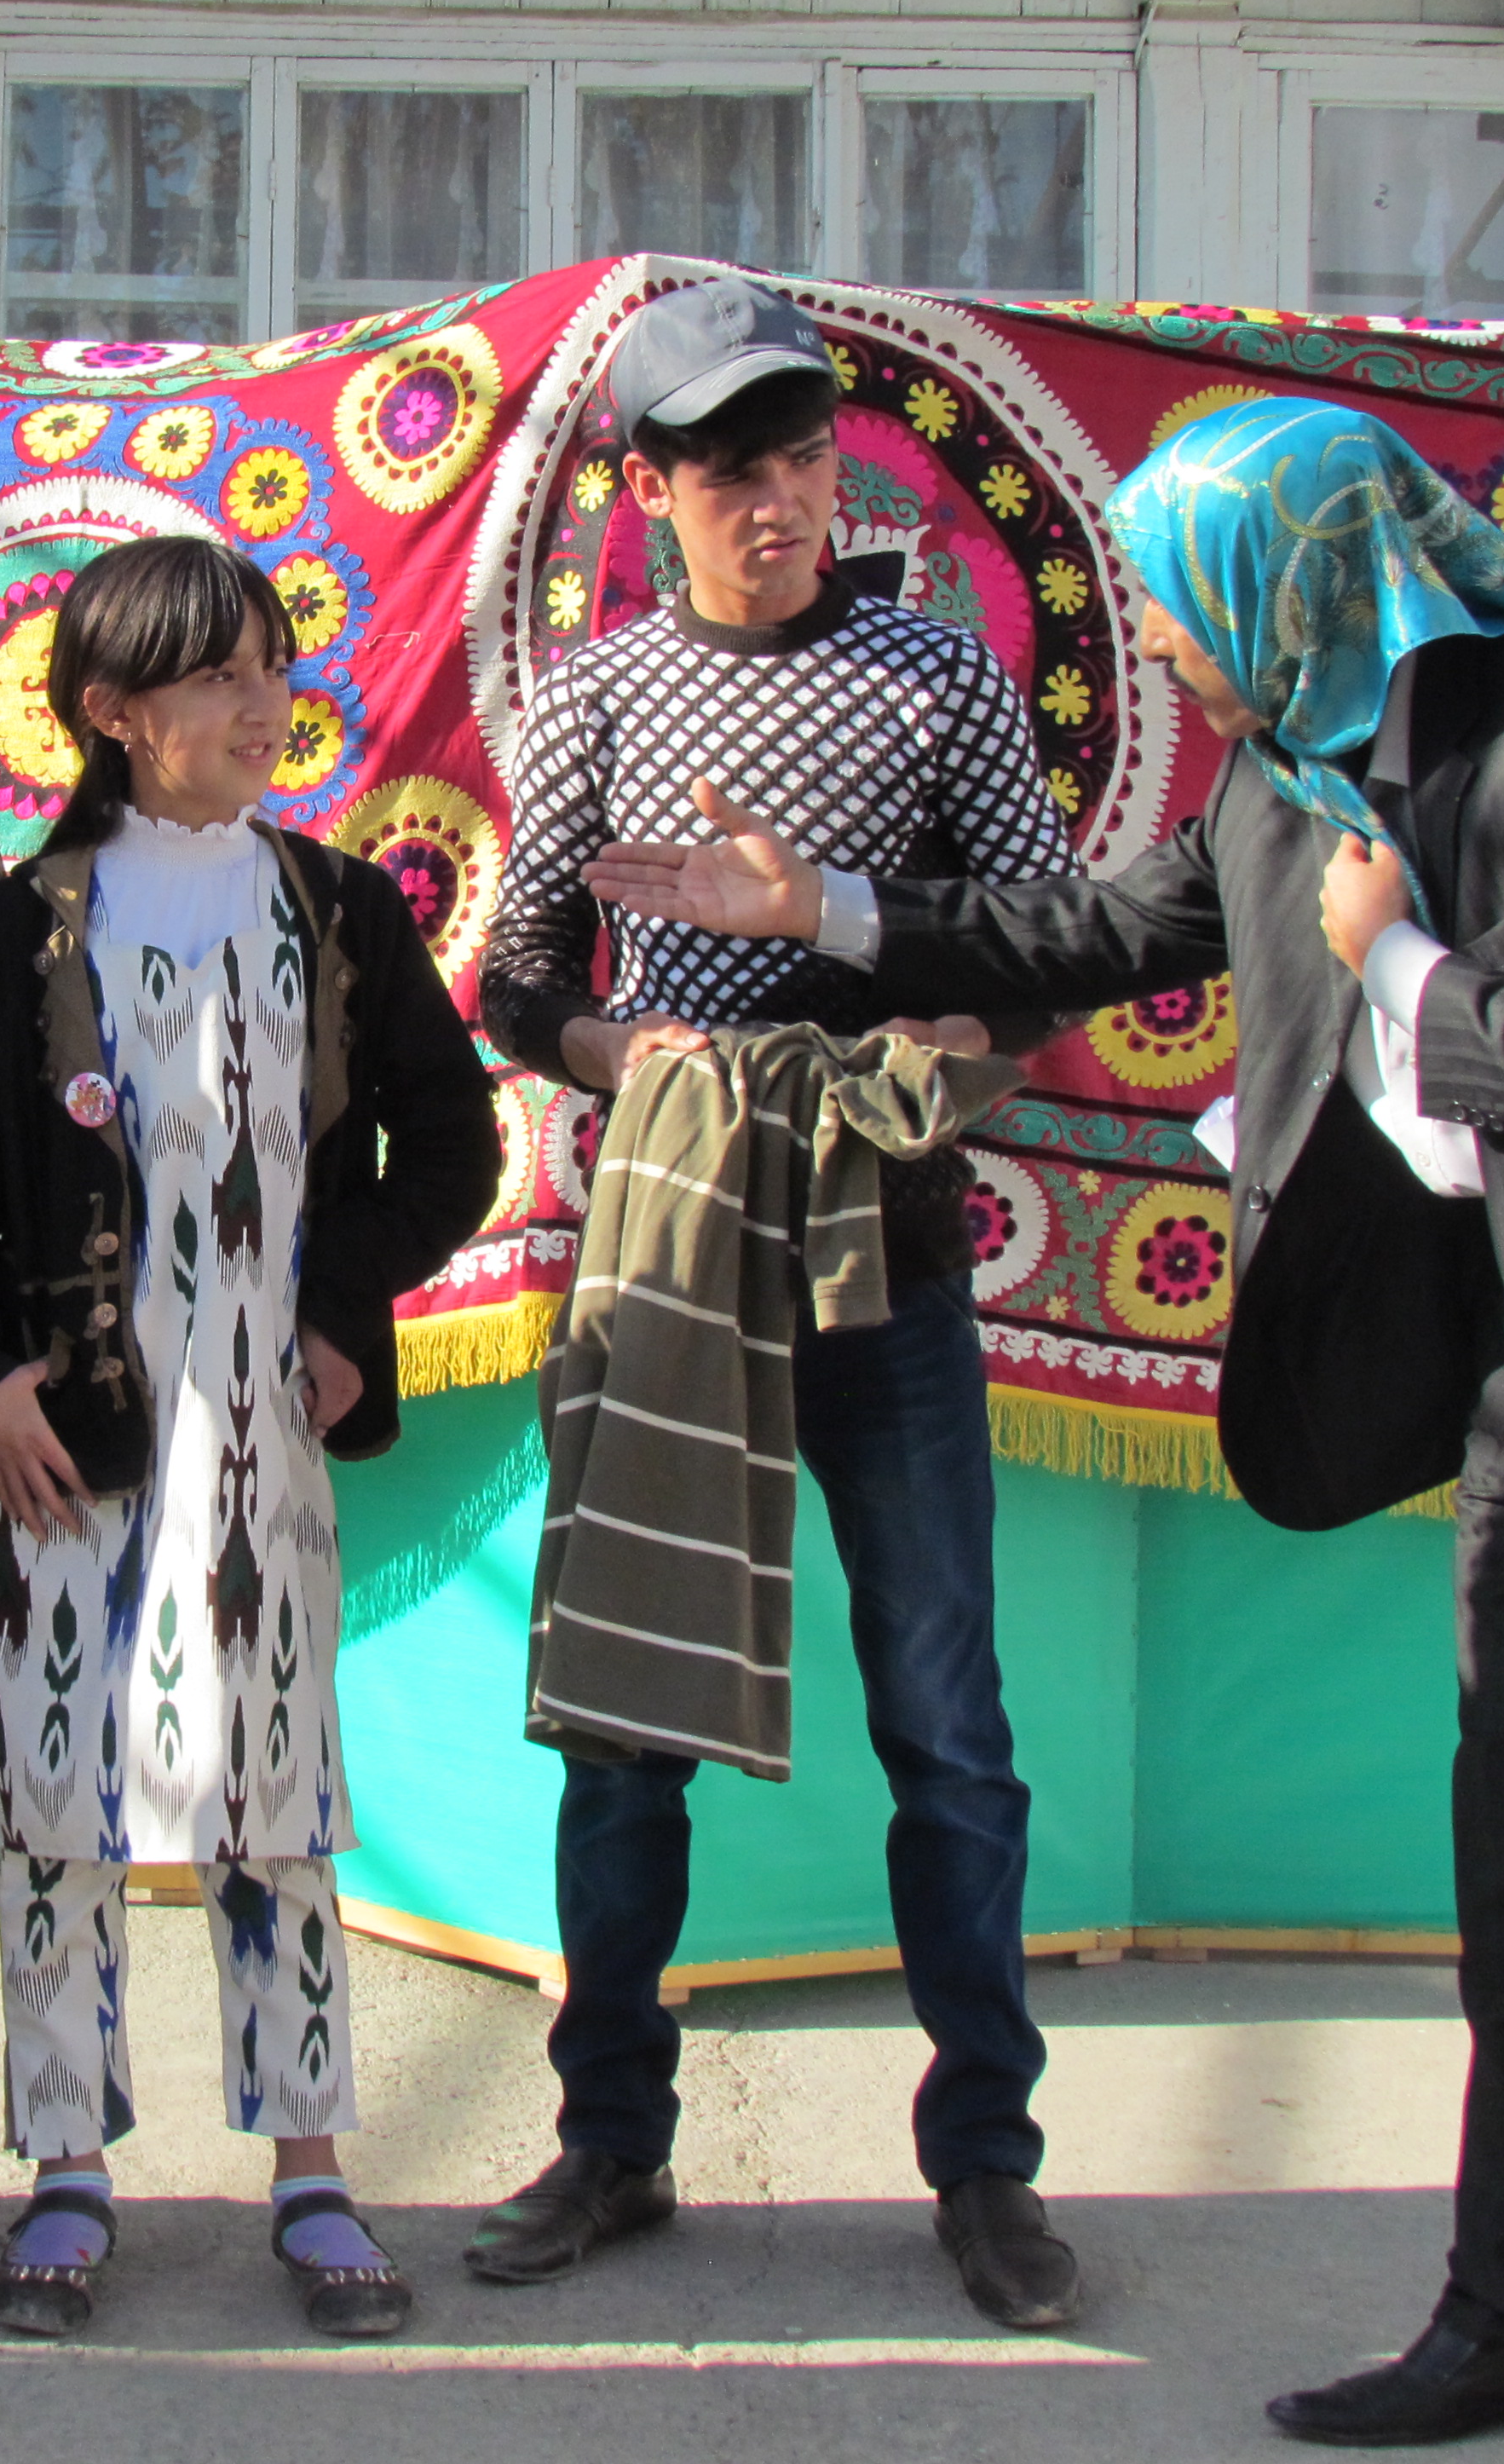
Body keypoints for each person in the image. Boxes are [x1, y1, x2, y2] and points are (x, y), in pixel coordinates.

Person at [585, 396, 1504, 2464]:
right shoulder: (1291, 769)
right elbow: (1099, 937)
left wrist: (1393, 965)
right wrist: (823, 918)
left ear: (1288, 580)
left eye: (1180, 611)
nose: (1163, 653)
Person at [461, 276, 1088, 2330]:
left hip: (890, 1257)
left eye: (809, 459)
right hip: (664, 1266)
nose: (784, 501)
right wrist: (611, 1062)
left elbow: (1037, 946)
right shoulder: (599, 703)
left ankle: (988, 2165)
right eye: (737, 468)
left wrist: (915, 1041)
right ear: (651, 491)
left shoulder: (936, 679)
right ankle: (611, 2141)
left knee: (946, 1722)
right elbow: (517, 977)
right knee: (624, 1728)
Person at [0, 535, 499, 2341]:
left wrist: (334, 1315)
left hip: (260, 1440)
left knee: (275, 1798)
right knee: (56, 1791)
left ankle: (312, 2169)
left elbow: (450, 1148)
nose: (263, 703)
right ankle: (66, 2168)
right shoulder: (16, 929)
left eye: (272, 667)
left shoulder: (334, 911)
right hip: (62, 1442)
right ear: (112, 713)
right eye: (220, 675)